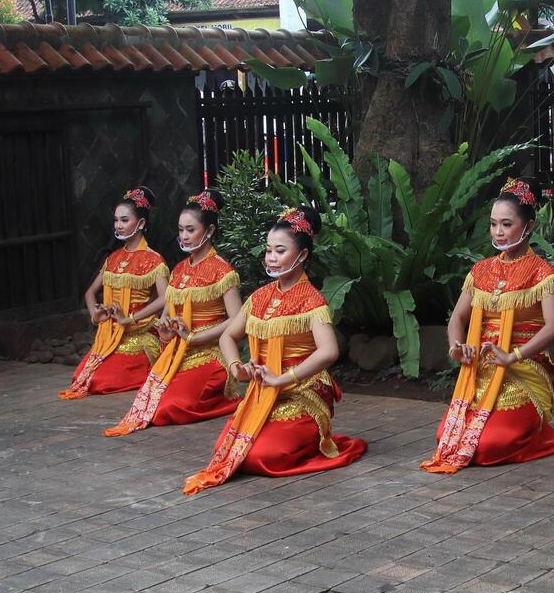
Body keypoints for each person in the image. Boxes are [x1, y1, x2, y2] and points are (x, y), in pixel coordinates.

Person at [183, 207, 366, 494]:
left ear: (302, 255)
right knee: (226, 447)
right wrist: (236, 368)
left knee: (263, 456)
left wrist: (284, 378)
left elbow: (329, 351)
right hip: (264, 390)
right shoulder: (259, 297)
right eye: (269, 250)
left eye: (280, 251)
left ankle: (313, 435)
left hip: (302, 389)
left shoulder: (312, 300)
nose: (271, 257)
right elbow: (228, 337)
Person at [423, 179, 554, 472]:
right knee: (447, 439)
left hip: (523, 365)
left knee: (490, 446)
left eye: (506, 224)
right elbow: (457, 318)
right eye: (493, 224)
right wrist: (457, 346)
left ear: (528, 226)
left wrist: (513, 356)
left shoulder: (543, 273)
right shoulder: (480, 270)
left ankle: (536, 430)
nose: (498, 232)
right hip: (482, 366)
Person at [104, 189, 242, 436]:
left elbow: (237, 320)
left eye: (191, 230)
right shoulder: (178, 270)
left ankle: (224, 398)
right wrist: (166, 330)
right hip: (179, 351)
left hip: (209, 354)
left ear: (209, 231)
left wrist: (196, 337)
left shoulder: (223, 271)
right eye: (181, 230)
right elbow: (166, 316)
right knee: (153, 403)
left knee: (170, 408)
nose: (184, 236)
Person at [61, 187, 168, 399]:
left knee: (99, 381)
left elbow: (166, 298)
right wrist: (95, 314)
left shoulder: (154, 260)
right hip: (110, 336)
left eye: (124, 220)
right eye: (116, 220)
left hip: (138, 334)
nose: (118, 225)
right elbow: (90, 292)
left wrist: (130, 319)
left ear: (141, 224)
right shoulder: (114, 258)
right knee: (82, 378)